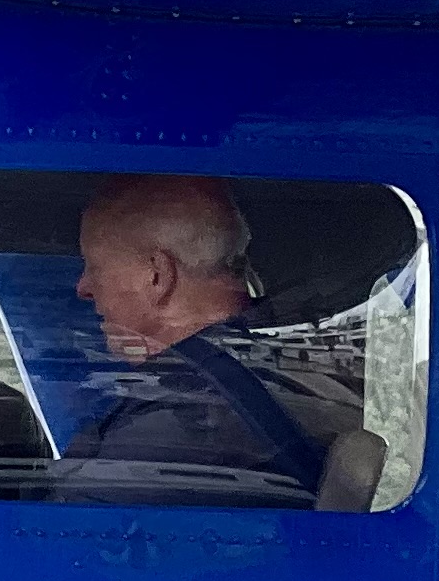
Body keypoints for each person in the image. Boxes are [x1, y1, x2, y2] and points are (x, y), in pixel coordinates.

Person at [64, 175, 347, 498]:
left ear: (157, 275)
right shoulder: (260, 373)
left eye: (95, 267)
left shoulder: (179, 423)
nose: (82, 287)